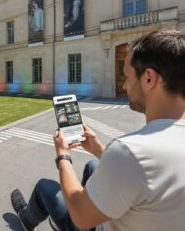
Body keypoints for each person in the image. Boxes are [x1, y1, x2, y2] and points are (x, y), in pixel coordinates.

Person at [10, 30, 185, 231]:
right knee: (94, 164)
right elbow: (144, 175)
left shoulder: (130, 152)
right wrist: (99, 148)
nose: (125, 85)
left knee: (43, 187)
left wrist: (63, 157)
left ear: (148, 79)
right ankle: (93, 194)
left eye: (126, 75)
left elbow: (81, 218)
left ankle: (25, 219)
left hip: (94, 225)